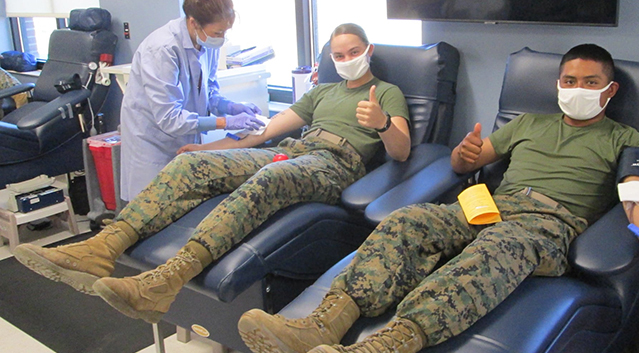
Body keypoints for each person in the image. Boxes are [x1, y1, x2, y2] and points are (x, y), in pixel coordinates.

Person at [237, 44, 639, 353]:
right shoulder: (529, 123)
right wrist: (465, 153)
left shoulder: (624, 139)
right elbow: (464, 161)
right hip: (488, 206)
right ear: (557, 85)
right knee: (408, 222)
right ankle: (323, 325)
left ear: (609, 92)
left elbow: (637, 193)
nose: (578, 89)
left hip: (547, 224)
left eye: (590, 83)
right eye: (570, 81)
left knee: (493, 249)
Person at [13, 23, 411, 325]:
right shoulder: (322, 92)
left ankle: (167, 280)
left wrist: (380, 123)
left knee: (268, 181)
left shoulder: (386, 92)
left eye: (353, 52)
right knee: (189, 166)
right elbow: (264, 133)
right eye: (338, 55)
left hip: (335, 166)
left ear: (368, 51)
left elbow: (402, 149)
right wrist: (206, 150)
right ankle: (101, 248)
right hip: (291, 152)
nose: (345, 60)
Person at [119, 0, 265, 201]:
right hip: (152, 141)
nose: (221, 38)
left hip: (184, 136)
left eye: (225, 32)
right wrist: (225, 122)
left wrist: (230, 107)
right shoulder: (162, 48)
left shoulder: (207, 42)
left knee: (182, 202)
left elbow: (209, 91)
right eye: (217, 33)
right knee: (150, 207)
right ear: (194, 22)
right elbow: (169, 118)